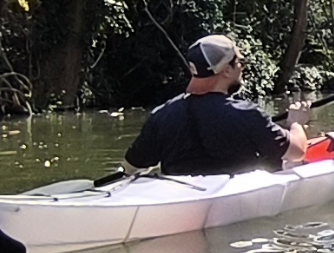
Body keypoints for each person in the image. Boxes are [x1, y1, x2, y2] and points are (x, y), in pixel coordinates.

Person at [123, 34, 310, 176]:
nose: (242, 67)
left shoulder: (162, 115)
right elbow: (297, 152)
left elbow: (131, 168)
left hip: (181, 200)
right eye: (240, 62)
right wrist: (296, 123)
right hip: (236, 201)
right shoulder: (247, 115)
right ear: (226, 70)